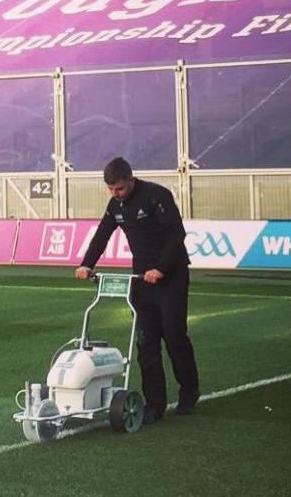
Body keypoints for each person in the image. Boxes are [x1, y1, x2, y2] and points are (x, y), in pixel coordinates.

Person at [74, 156, 200, 422]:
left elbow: (176, 234)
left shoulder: (156, 196)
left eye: (119, 188)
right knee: (145, 343)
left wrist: (161, 268)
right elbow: (102, 234)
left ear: (131, 180)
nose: (115, 193)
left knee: (174, 336)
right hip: (141, 280)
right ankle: (154, 404)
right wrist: (87, 264)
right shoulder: (115, 205)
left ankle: (189, 393)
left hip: (171, 276)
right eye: (110, 189)